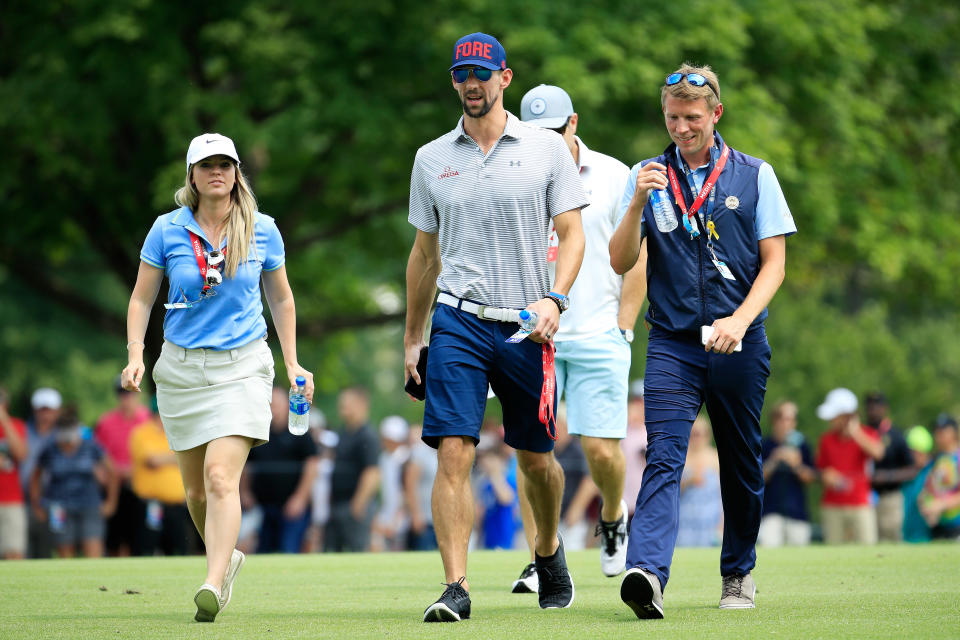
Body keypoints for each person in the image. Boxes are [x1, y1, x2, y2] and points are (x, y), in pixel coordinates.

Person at [403, 32, 587, 621]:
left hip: (527, 324)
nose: (471, 85)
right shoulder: (431, 158)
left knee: (536, 460)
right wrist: (413, 335)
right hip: (457, 318)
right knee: (453, 450)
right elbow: (424, 255)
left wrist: (557, 298)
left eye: (481, 74)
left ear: (505, 77)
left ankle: (550, 549)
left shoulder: (545, 149)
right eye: (462, 75)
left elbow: (573, 233)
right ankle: (455, 586)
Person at [608, 63, 797, 617]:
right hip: (672, 341)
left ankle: (738, 574)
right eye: (672, 118)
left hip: (739, 340)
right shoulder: (647, 174)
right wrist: (637, 203)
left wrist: (740, 321)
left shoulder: (754, 174)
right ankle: (647, 573)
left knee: (739, 460)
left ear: (716, 113)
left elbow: (775, 265)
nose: (681, 128)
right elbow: (621, 260)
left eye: (691, 117)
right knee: (663, 454)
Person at [120, 132, 313, 622]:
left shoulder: (262, 228)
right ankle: (226, 560)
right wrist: (136, 353)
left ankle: (211, 580)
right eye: (207, 165)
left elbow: (282, 299)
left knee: (221, 476)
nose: (217, 173)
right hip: (181, 370)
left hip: (243, 366)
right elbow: (142, 299)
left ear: (236, 173)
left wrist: (291, 362)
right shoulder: (167, 229)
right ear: (192, 175)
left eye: (225, 164)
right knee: (196, 493)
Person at [516, 83, 646, 580]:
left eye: (553, 131)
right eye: (535, 133)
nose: (546, 141)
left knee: (599, 449)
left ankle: (613, 515)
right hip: (534, 337)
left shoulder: (614, 175)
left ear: (574, 123)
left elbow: (637, 257)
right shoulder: (515, 174)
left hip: (597, 332)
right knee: (533, 454)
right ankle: (540, 555)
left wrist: (624, 327)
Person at [29, 407, 118, 558]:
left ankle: (95, 582)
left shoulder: (90, 446)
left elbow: (112, 472)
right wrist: (37, 505)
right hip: (59, 506)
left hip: (89, 504)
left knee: (93, 550)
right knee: (64, 552)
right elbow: (35, 477)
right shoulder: (50, 448)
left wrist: (111, 502)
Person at [243, 387, 318, 554]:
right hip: (263, 506)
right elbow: (247, 465)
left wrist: (300, 498)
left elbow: (312, 465)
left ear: (287, 406)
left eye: (276, 405)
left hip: (292, 505)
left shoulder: (300, 432)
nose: (272, 409)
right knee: (264, 551)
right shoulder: (259, 432)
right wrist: (245, 491)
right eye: (269, 405)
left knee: (288, 549)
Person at [814, 388, 884, 544]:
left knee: (867, 548)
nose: (831, 420)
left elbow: (878, 453)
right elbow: (819, 470)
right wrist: (826, 475)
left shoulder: (866, 434)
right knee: (834, 552)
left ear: (847, 416)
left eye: (835, 416)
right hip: (832, 505)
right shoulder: (826, 440)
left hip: (860, 503)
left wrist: (855, 432)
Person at [95, 377, 153, 557]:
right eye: (122, 394)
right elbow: (97, 455)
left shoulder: (148, 419)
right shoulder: (106, 422)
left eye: (129, 394)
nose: (126, 398)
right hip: (114, 486)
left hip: (141, 487)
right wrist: (102, 475)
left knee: (137, 538)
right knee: (114, 538)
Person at [324, 386, 380, 552]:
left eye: (347, 404)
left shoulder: (368, 435)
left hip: (355, 505)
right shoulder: (342, 433)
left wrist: (359, 502)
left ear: (362, 404)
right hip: (338, 504)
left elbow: (372, 472)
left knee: (357, 549)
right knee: (332, 551)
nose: (342, 408)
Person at [129, 407, 190, 556]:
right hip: (152, 504)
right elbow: (152, 460)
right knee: (147, 547)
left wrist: (168, 458)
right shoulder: (142, 433)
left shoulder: (179, 432)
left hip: (177, 504)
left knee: (179, 549)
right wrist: (178, 457)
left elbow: (190, 458)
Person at [758, 401, 816, 546]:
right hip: (770, 512)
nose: (786, 424)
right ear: (774, 420)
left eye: (791, 419)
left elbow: (810, 479)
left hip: (797, 512)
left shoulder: (802, 445)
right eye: (782, 418)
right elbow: (757, 480)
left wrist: (796, 465)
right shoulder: (764, 445)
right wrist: (774, 460)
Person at [865, 392, 915, 542]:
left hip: (889, 496)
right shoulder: (861, 433)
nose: (873, 410)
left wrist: (888, 476)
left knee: (891, 537)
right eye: (870, 406)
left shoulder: (895, 435)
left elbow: (911, 469)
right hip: (865, 497)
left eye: (877, 406)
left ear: (885, 408)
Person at [21, 387, 62, 558]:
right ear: (34, 410)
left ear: (57, 411)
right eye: (41, 409)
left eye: (49, 410)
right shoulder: (23, 431)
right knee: (25, 547)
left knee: (55, 545)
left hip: (57, 500)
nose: (45, 414)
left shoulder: (65, 433)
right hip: (24, 499)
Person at [676, 416, 723, 547]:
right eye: (695, 434)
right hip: (685, 519)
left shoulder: (716, 457)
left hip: (710, 519)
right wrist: (689, 481)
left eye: (702, 434)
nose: (698, 438)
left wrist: (722, 525)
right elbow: (671, 492)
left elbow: (725, 496)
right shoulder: (680, 458)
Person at [372, 416, 411, 551]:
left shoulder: (406, 458)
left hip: (402, 517)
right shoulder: (384, 457)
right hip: (386, 513)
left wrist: (395, 520)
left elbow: (405, 491)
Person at [918, 414, 960, 539]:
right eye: (937, 431)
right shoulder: (935, 460)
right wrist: (926, 504)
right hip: (938, 527)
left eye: (943, 430)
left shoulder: (957, 458)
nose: (938, 434)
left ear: (954, 432)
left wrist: (941, 504)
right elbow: (928, 488)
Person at [0, 387, 29, 559]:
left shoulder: (16, 425)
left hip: (11, 500)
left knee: (14, 553)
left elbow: (21, 454)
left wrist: (3, 419)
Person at [403, 423, 438, 551]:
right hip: (425, 519)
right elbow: (410, 484)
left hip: (445, 519)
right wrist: (416, 514)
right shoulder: (420, 452)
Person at [901, 425, 934, 543]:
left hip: (927, 537)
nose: (912, 456)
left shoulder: (932, 472)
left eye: (915, 452)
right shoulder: (905, 472)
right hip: (905, 536)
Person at [621, 380, 648, 520]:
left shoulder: (655, 431)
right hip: (622, 502)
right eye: (636, 400)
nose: (639, 405)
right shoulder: (621, 429)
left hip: (646, 503)